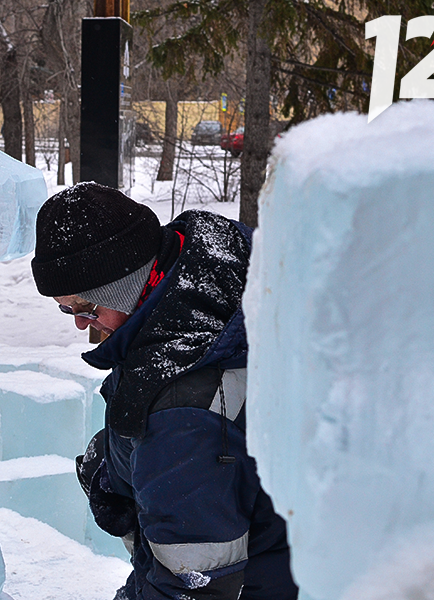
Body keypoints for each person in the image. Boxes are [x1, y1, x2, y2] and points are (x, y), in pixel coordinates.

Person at [30, 182, 298, 600]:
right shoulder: (201, 283)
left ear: (121, 285)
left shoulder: (182, 411)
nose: (80, 324)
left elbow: (193, 588)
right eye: (66, 309)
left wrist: (149, 457)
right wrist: (121, 457)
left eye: (85, 308)